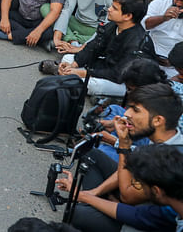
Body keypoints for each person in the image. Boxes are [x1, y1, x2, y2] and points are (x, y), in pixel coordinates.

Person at [55, 84, 183, 232]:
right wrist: (94, 192)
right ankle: (97, 201)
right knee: (92, 153)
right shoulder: (161, 138)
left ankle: (94, 204)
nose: (127, 113)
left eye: (135, 110)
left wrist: (124, 145)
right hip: (139, 202)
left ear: (157, 120)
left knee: (77, 213)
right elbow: (131, 170)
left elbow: (128, 196)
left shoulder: (171, 157)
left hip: (146, 217)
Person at [48, 0, 148, 97]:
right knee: (68, 59)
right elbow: (93, 47)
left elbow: (118, 74)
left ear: (127, 16)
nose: (109, 9)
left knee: (92, 84)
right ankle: (69, 77)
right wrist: (73, 65)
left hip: (123, 82)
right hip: (106, 66)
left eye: (114, 8)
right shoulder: (113, 25)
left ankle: (69, 79)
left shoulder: (137, 42)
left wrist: (82, 73)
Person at [142, 0, 183, 75]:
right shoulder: (161, 1)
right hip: (150, 54)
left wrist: (175, 61)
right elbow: (144, 25)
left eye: (182, 1)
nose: (178, 4)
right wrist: (163, 18)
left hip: (178, 66)